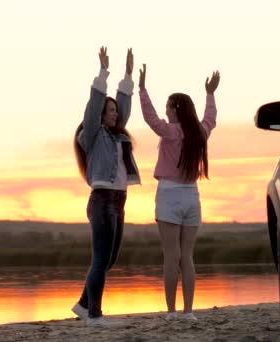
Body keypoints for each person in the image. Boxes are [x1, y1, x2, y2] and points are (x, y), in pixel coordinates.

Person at [138, 63, 220, 321]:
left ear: (175, 109)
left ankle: (172, 312)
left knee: (171, 256)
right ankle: (188, 312)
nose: (165, 110)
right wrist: (210, 93)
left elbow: (150, 118)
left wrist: (142, 89)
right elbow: (210, 119)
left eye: (167, 106)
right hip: (191, 197)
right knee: (187, 256)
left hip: (169, 195)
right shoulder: (199, 133)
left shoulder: (171, 131)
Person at [71, 46, 141, 327]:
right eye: (110, 111)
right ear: (99, 114)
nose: (115, 115)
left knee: (109, 258)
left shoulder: (115, 137)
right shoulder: (92, 135)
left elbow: (123, 111)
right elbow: (94, 105)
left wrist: (127, 76)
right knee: (101, 258)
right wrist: (103, 72)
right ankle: (94, 315)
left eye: (115, 111)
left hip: (118, 201)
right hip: (101, 200)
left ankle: (84, 304)